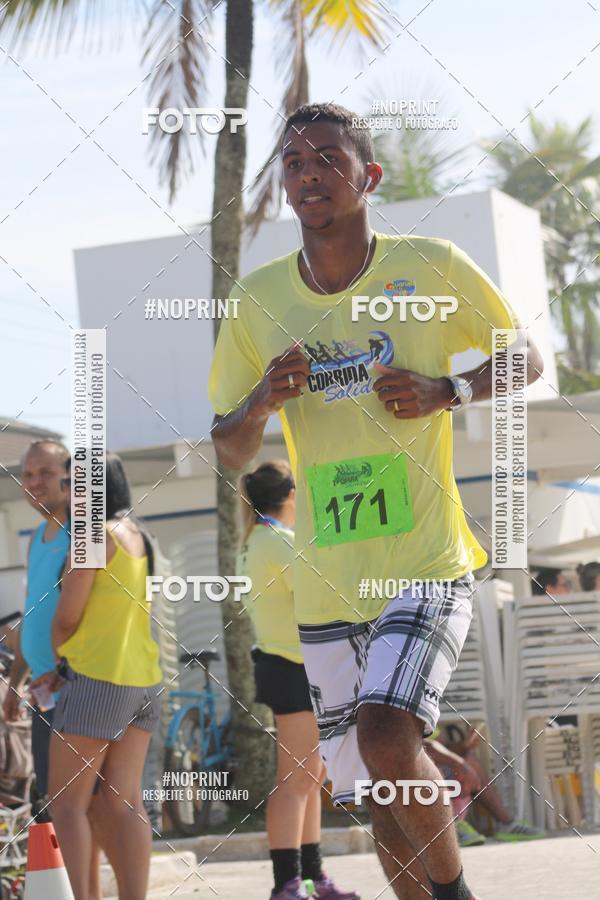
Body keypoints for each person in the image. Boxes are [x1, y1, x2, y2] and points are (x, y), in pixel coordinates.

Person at [208, 101, 544, 900]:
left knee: (388, 734)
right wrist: (259, 402)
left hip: (424, 562)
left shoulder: (429, 266)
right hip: (328, 583)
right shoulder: (256, 300)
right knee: (380, 801)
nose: (309, 173)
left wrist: (448, 389)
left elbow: (524, 357)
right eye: (293, 163)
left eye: (327, 157)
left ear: (369, 176)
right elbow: (228, 445)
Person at [32, 452, 162, 900]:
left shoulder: (90, 534)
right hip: (141, 679)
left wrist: (58, 665)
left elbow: (68, 618)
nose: (67, 493)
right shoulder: (136, 534)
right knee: (123, 801)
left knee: (66, 803)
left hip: (95, 677)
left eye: (73, 483)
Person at [238, 461, 359, 900]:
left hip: (294, 665)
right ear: (292, 495)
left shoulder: (258, 538)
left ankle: (312, 878)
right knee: (295, 781)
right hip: (292, 666)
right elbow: (322, 592)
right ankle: (286, 884)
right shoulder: (275, 540)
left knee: (310, 777)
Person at [1, 440, 103, 900]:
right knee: (69, 808)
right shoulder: (36, 538)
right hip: (45, 694)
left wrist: (63, 670)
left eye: (44, 473)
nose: (34, 483)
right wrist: (15, 682)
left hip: (80, 688)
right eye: (27, 475)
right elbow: (32, 617)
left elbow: (91, 619)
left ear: (70, 477)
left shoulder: (83, 535)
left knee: (84, 808)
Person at [425, 728, 545, 846]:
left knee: (469, 760)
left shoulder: (425, 717)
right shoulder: (409, 714)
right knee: (430, 765)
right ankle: (450, 827)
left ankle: (506, 824)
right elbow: (422, 747)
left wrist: (464, 746)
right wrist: (457, 763)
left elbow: (444, 747)